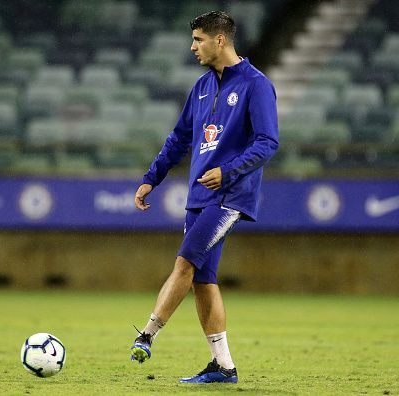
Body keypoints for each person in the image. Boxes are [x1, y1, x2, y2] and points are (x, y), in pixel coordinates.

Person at [129, 11, 279, 384]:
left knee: (185, 263)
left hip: (230, 195)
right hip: (198, 197)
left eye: (198, 39)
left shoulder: (256, 85)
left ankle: (146, 336)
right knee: (202, 278)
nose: (193, 47)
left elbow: (267, 142)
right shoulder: (200, 87)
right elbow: (179, 138)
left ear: (220, 40)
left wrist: (228, 171)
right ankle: (224, 367)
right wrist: (152, 178)